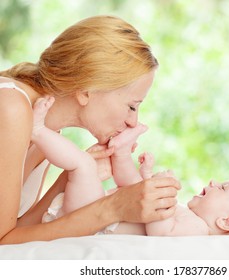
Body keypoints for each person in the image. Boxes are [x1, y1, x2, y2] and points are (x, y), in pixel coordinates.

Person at [0, 15, 180, 244]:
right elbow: (3, 244)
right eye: (132, 106)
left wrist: (71, 176)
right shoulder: (11, 107)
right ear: (87, 90)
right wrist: (114, 207)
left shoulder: (48, 130)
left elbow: (18, 232)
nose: (134, 122)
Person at [34, 97, 229, 238]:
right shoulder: (192, 217)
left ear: (227, 222)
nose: (214, 182)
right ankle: (120, 153)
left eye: (224, 188)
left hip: (86, 220)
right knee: (135, 188)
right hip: (100, 212)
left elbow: (160, 233)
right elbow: (142, 208)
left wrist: (165, 199)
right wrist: (148, 179)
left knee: (83, 165)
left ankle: (37, 131)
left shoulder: (198, 231)